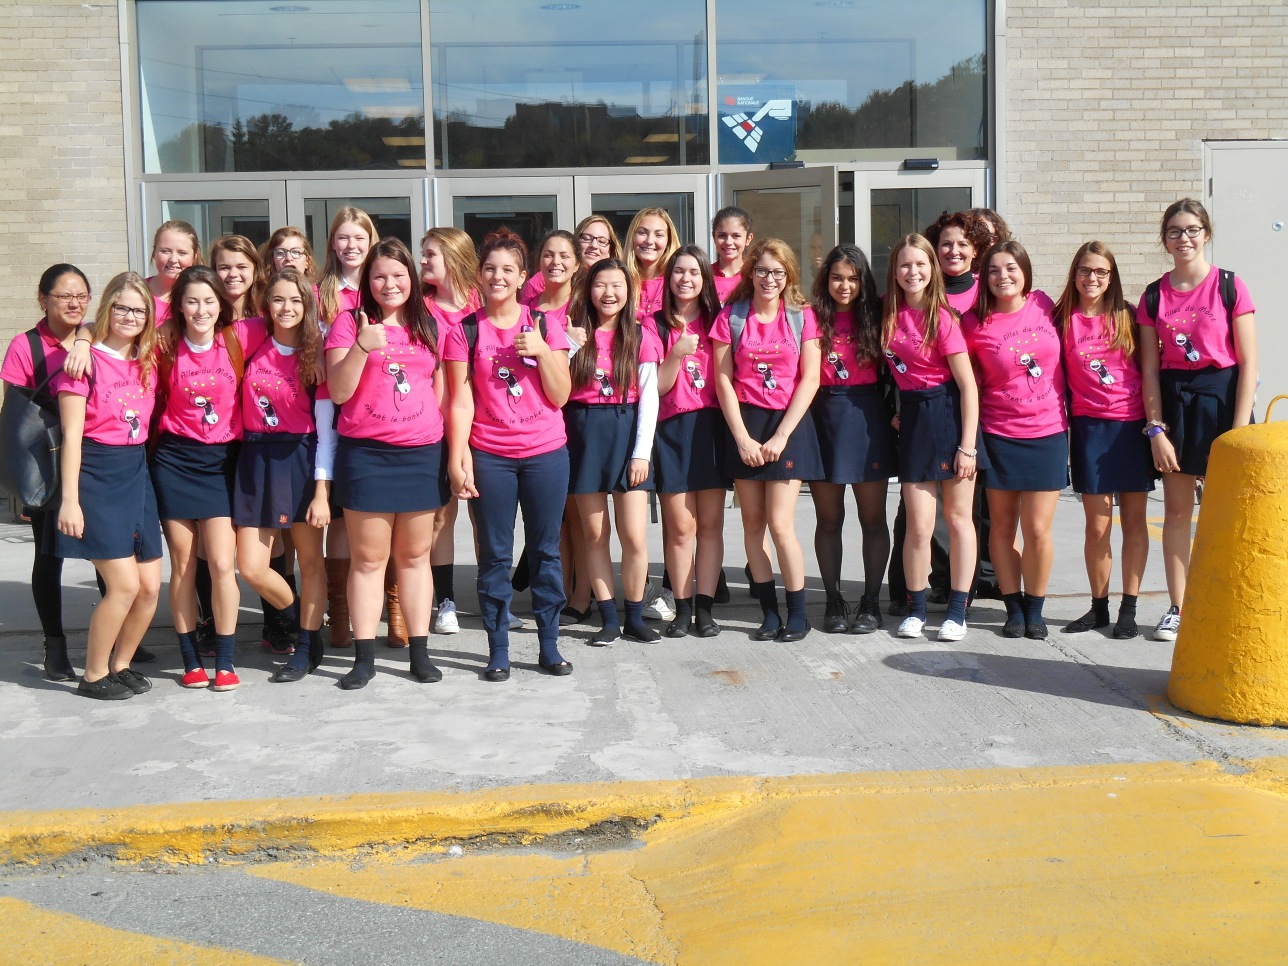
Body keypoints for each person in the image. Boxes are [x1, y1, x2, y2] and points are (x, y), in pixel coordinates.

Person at [444, 228, 574, 680]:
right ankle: (497, 648)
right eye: (490, 269)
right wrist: (457, 458)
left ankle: (549, 645)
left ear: (523, 277)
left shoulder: (545, 326)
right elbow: (460, 401)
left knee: (546, 553)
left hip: (545, 454)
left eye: (507, 270)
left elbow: (561, 395)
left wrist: (542, 352)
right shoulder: (465, 330)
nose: (497, 277)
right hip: (491, 456)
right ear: (479, 275)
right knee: (495, 557)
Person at [325, 237, 450, 689]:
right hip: (367, 457)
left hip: (421, 455)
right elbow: (338, 391)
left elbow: (440, 390)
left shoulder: (429, 324)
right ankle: (364, 659)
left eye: (398, 275)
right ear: (367, 280)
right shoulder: (349, 322)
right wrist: (362, 346)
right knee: (368, 560)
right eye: (379, 276)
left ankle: (420, 652)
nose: (389, 284)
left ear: (412, 279)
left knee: (415, 558)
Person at [1136, 198, 1257, 642]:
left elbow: (1248, 363)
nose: (1183, 238)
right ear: (1164, 240)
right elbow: (1150, 369)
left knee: (1228, 514)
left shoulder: (1229, 286)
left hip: (1222, 399)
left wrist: (1237, 433)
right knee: (1176, 512)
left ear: (1206, 233)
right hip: (1175, 402)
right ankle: (1178, 607)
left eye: (1191, 230)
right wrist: (1156, 429)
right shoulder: (1154, 295)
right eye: (1174, 231)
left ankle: (1228, 603)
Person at [150, 266, 266, 691]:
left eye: (209, 301)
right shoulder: (163, 344)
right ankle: (191, 660)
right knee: (183, 564)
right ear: (179, 306)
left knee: (220, 562)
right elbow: (104, 329)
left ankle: (227, 661)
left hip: (221, 463)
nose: (201, 310)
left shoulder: (240, 336)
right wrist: (83, 340)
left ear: (222, 304)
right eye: (192, 301)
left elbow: (296, 322)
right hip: (174, 461)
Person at [53, 272, 162, 699]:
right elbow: (71, 438)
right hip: (97, 475)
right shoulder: (84, 363)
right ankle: (94, 673)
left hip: (137, 473)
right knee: (124, 585)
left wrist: (82, 335)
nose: (130, 316)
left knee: (149, 588)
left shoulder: (147, 360)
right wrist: (70, 501)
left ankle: (121, 664)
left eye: (139, 309)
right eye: (121, 307)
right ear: (107, 309)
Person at [711, 238, 823, 642]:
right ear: (751, 273)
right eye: (761, 270)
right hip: (746, 423)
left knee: (780, 524)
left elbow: (811, 378)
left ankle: (798, 614)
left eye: (777, 272)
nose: (769, 279)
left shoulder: (802, 316)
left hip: (787, 424)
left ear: (788, 275)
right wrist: (741, 438)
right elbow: (722, 379)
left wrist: (782, 435)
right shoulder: (731, 316)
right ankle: (769, 613)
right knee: (753, 525)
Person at [963, 240, 1067, 640]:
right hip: (999, 433)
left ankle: (1035, 608)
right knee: (1002, 528)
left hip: (1048, 432)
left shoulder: (1044, 304)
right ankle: (1013, 608)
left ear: (1025, 272)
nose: (1002, 276)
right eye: (993, 270)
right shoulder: (974, 323)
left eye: (1010, 268)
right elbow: (962, 379)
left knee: (1037, 529)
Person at [234, 269, 334, 682]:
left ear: (307, 305)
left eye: (295, 300)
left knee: (310, 561)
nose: (287, 308)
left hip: (301, 458)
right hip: (255, 457)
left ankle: (305, 646)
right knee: (251, 566)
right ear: (266, 304)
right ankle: (302, 624)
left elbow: (326, 431)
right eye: (278, 299)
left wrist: (322, 492)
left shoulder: (319, 353)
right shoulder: (248, 339)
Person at [881, 234, 980, 642]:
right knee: (918, 526)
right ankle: (916, 609)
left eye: (920, 264)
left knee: (957, 520)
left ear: (932, 269)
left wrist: (967, 447)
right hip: (914, 419)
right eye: (905, 264)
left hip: (948, 416)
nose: (913, 272)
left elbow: (968, 387)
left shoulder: (943, 318)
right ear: (895, 271)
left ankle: (957, 611)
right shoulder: (887, 315)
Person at [2, 264, 96, 680]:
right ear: (43, 299)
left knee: (107, 552)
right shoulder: (25, 346)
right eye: (64, 296)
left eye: (82, 295)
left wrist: (87, 339)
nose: (74, 303)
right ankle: (54, 646)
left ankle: (114, 638)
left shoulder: (98, 336)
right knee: (48, 555)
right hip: (50, 465)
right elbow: (16, 421)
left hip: (98, 459)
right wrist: (21, 486)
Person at [1056, 242, 1153, 640]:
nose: (1091, 278)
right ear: (1074, 274)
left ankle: (1129, 608)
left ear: (1111, 277)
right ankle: (1099, 608)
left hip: (1131, 429)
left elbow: (1150, 371)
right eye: (1084, 270)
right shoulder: (1061, 319)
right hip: (1090, 429)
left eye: (1100, 271)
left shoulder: (1129, 316)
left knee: (1134, 521)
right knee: (1097, 527)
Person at [564, 258, 663, 645]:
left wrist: (642, 453)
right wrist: (570, 345)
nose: (609, 293)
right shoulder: (573, 333)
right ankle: (607, 618)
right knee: (594, 534)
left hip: (627, 432)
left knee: (634, 536)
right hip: (584, 433)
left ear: (629, 290)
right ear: (588, 290)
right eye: (600, 285)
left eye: (617, 285)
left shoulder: (640, 335)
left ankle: (634, 616)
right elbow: (553, 382)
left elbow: (650, 399)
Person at [810, 244, 895, 634]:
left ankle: (871, 603)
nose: (844, 286)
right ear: (826, 280)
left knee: (872, 518)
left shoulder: (879, 314)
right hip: (822, 418)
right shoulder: (811, 317)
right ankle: (833, 600)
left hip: (867, 419)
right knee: (829, 518)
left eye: (853, 278)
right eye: (837, 278)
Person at [651, 245, 727, 638]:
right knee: (681, 527)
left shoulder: (719, 321)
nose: (686, 279)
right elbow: (657, 387)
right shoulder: (655, 324)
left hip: (712, 427)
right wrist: (676, 354)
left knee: (710, 525)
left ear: (704, 279)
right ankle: (682, 608)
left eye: (694, 272)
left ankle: (705, 609)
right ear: (669, 279)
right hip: (672, 430)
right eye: (679, 271)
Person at [317, 207, 378, 650]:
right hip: (329, 404)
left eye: (359, 237)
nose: (351, 245)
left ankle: (388, 605)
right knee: (341, 512)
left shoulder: (387, 285)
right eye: (343, 237)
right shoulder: (319, 292)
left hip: (380, 408)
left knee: (379, 514)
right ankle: (338, 611)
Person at [420, 226, 484, 638]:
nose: (423, 261)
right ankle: (445, 601)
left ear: (454, 259)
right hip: (436, 428)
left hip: (488, 426)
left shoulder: (483, 303)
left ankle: (492, 598)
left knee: (486, 517)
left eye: (431, 254)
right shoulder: (419, 309)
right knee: (442, 517)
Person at [519, 214, 622, 309]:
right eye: (586, 238)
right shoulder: (542, 281)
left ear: (610, 250)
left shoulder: (620, 282)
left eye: (602, 241)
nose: (594, 245)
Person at [625, 207, 681, 317]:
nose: (649, 241)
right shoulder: (621, 280)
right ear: (632, 237)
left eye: (659, 235)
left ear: (668, 241)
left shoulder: (677, 282)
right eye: (642, 233)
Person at [146, 220, 202, 325]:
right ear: (154, 253)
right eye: (165, 251)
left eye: (182, 253)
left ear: (194, 257)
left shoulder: (205, 294)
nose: (173, 259)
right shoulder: (138, 293)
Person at [210, 235, 266, 322]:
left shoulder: (269, 315)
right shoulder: (206, 316)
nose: (233, 274)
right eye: (225, 268)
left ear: (255, 270)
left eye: (241, 267)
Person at [711, 207, 754, 305]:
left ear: (748, 239)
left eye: (736, 236)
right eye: (722, 236)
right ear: (714, 237)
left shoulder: (754, 276)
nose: (728, 242)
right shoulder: (703, 276)